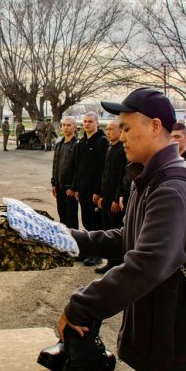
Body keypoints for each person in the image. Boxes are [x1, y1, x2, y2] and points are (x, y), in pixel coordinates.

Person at [59, 88, 186, 371]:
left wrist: (82, 305)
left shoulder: (171, 187)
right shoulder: (149, 178)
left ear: (156, 126)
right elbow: (128, 237)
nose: (121, 134)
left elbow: (147, 263)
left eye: (128, 128)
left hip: (174, 347)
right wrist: (71, 238)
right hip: (157, 340)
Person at [69, 112, 108, 266]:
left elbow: (102, 169)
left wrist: (99, 192)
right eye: (85, 121)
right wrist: (77, 188)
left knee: (95, 223)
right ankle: (87, 251)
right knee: (86, 221)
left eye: (90, 121)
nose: (87, 124)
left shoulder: (102, 142)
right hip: (83, 190)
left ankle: (97, 254)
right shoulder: (82, 143)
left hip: (94, 191)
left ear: (97, 123)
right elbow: (78, 168)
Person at [95, 119, 127, 274]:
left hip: (114, 198)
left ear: (120, 131)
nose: (108, 132)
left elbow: (122, 177)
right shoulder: (110, 149)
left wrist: (116, 198)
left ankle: (117, 264)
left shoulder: (122, 150)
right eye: (106, 129)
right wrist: (101, 195)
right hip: (106, 197)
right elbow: (105, 175)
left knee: (114, 231)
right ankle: (110, 262)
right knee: (107, 229)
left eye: (111, 129)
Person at [51, 117, 79, 230]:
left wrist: (74, 187)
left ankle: (75, 242)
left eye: (69, 125)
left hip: (69, 189)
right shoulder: (59, 144)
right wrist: (53, 183)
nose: (66, 127)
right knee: (62, 216)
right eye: (64, 125)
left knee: (71, 218)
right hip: (59, 186)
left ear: (75, 127)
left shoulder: (77, 144)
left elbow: (78, 169)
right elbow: (55, 164)